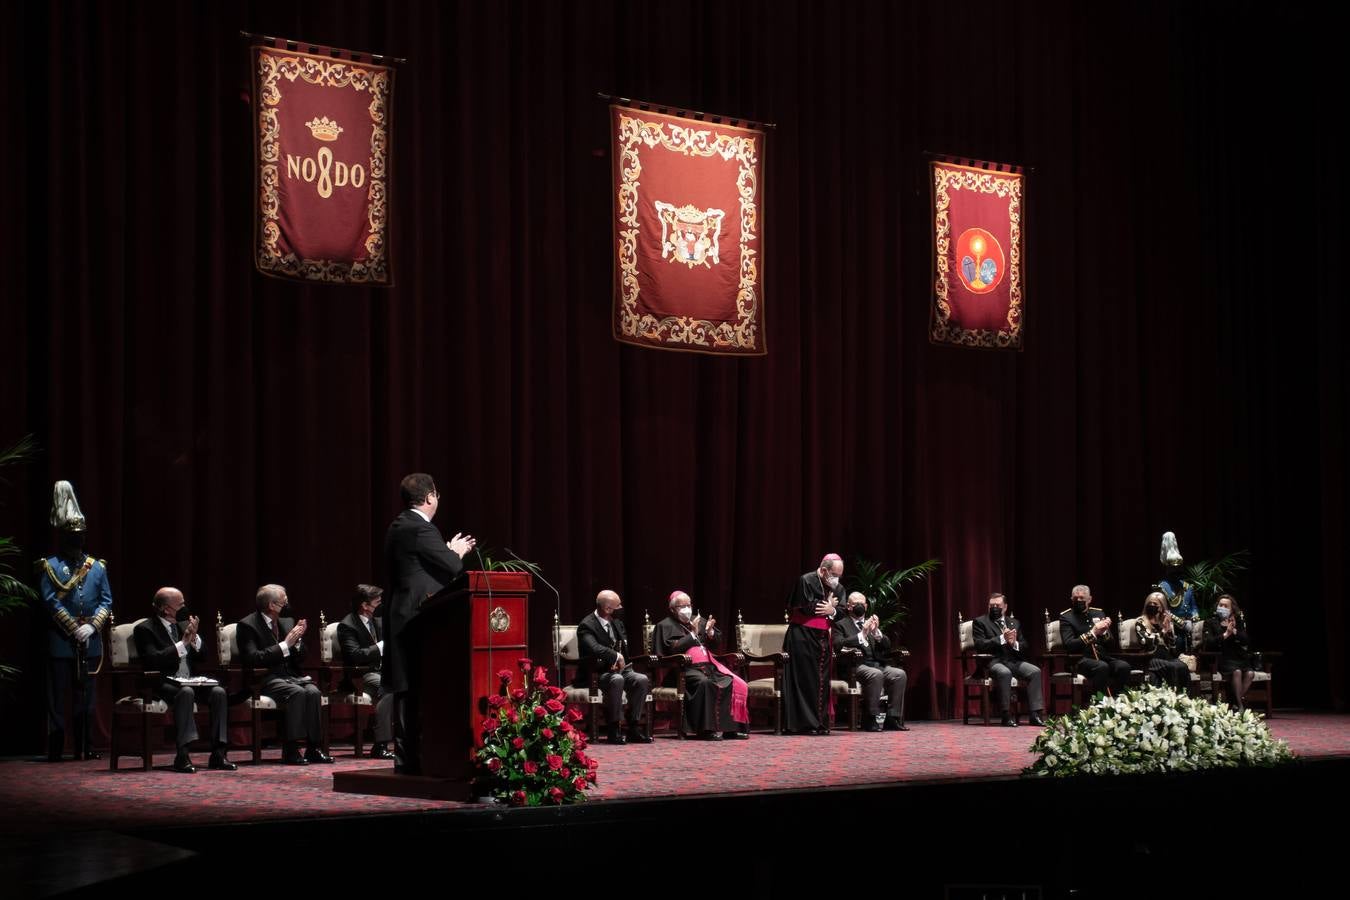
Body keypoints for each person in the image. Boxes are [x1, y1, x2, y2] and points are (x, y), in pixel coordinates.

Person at [383, 472, 475, 774]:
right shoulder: (421, 528)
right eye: (438, 495)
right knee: (413, 688)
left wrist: (445, 552)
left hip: (406, 614)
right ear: (429, 497)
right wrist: (454, 552)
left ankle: (410, 758)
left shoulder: (401, 525)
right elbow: (452, 567)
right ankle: (415, 758)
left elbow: (425, 570)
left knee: (409, 689)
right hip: (417, 618)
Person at [37, 480, 112, 761]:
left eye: (81, 535)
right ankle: (56, 747)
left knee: (87, 698)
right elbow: (50, 600)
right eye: (72, 536)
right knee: (57, 698)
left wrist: (92, 626)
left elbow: (106, 600)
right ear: (64, 537)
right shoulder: (51, 566)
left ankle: (85, 745)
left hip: (89, 637)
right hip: (61, 639)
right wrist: (73, 628)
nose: (77, 540)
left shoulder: (97, 567)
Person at [132, 587, 234, 772]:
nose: (185, 608)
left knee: (218, 692)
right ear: (165, 609)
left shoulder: (183, 625)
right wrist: (183, 644)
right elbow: (153, 660)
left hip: (190, 680)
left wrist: (194, 638)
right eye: (180, 605)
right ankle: (183, 754)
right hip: (162, 682)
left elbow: (204, 656)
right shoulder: (145, 629)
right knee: (185, 692)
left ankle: (219, 754)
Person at [236, 584, 332, 765]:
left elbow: (302, 657)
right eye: (283, 601)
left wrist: (297, 642)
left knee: (314, 692)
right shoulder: (247, 625)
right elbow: (253, 658)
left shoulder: (286, 622)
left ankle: (314, 748)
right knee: (298, 693)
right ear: (271, 605)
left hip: (291, 676)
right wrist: (285, 645)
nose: (287, 603)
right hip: (265, 678)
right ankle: (291, 749)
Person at [652, 591, 748, 740]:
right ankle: (705, 730)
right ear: (672, 609)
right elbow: (671, 650)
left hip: (708, 666)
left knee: (730, 681)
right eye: (681, 606)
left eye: (688, 605)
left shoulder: (699, 620)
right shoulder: (664, 625)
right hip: (683, 670)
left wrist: (710, 632)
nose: (686, 609)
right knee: (705, 683)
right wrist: (692, 635)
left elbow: (717, 642)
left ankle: (730, 729)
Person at [576, 590, 651, 744]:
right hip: (597, 673)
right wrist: (616, 656)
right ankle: (613, 728)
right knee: (616, 680)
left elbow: (623, 647)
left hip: (621, 670)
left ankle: (634, 727)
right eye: (617, 607)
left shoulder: (616, 623)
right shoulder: (586, 625)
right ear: (607, 609)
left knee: (641, 679)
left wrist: (623, 659)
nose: (620, 610)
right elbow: (595, 648)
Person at [782, 553, 844, 734]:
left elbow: (841, 611)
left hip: (823, 639)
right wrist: (827, 605)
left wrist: (831, 609)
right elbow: (808, 608)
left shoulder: (837, 587)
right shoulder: (806, 581)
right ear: (824, 570)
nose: (836, 580)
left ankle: (820, 723)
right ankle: (805, 724)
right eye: (834, 575)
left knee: (821, 682)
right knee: (805, 681)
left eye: (840, 575)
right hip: (802, 637)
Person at [833, 592, 910, 731]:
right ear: (849, 607)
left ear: (866, 606)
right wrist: (862, 634)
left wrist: (877, 634)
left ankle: (892, 718)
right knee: (876, 674)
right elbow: (838, 645)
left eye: (862, 604)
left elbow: (887, 647)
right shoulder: (840, 625)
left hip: (876, 665)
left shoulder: (871, 623)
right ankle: (870, 718)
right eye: (856, 604)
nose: (859, 606)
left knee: (899, 674)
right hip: (855, 667)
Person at [337, 584, 394, 759]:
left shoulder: (377, 622)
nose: (380, 604)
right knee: (390, 688)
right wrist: (380, 647)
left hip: (382, 671)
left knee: (406, 684)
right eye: (377, 601)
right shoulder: (347, 625)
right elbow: (355, 655)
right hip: (361, 674)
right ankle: (380, 744)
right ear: (365, 605)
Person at [972, 592, 1044, 727]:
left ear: (1005, 607)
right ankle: (1006, 715)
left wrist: (1014, 643)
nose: (994, 608)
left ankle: (1034, 715)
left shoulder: (1014, 623)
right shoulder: (980, 622)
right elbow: (980, 644)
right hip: (992, 662)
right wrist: (1001, 639)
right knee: (1005, 673)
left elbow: (1025, 645)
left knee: (1035, 671)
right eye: (991, 605)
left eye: (997, 605)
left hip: (1013, 660)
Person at [1058, 584, 1130, 697]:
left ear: (1089, 599)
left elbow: (1111, 643)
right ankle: (1099, 705)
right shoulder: (1066, 617)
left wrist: (1105, 632)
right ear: (1071, 599)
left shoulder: (1098, 613)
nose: (1078, 600)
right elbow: (1069, 644)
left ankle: (1117, 702)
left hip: (1102, 657)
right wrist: (1093, 633)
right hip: (1079, 660)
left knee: (1123, 666)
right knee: (1102, 667)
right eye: (1076, 598)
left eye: (1082, 598)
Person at [1203, 594, 1257, 711]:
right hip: (1221, 656)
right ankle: (1240, 705)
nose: (1222, 607)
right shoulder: (1211, 622)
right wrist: (1226, 634)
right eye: (1220, 605)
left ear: (1232, 609)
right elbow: (1209, 643)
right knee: (1236, 672)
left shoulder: (1237, 621)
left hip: (1237, 656)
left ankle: (1233, 703)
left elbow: (1246, 640)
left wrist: (1235, 631)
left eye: (1225, 606)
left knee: (1250, 674)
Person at [1134, 591, 1191, 689]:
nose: (1152, 606)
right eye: (1150, 604)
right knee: (1172, 667)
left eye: (1155, 604)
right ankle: (1173, 696)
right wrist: (1162, 632)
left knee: (1183, 666)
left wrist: (1169, 633)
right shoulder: (1140, 621)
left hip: (1166, 656)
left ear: (1161, 607)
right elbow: (1147, 641)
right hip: (1150, 658)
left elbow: (1173, 649)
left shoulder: (1166, 622)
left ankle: (1186, 696)